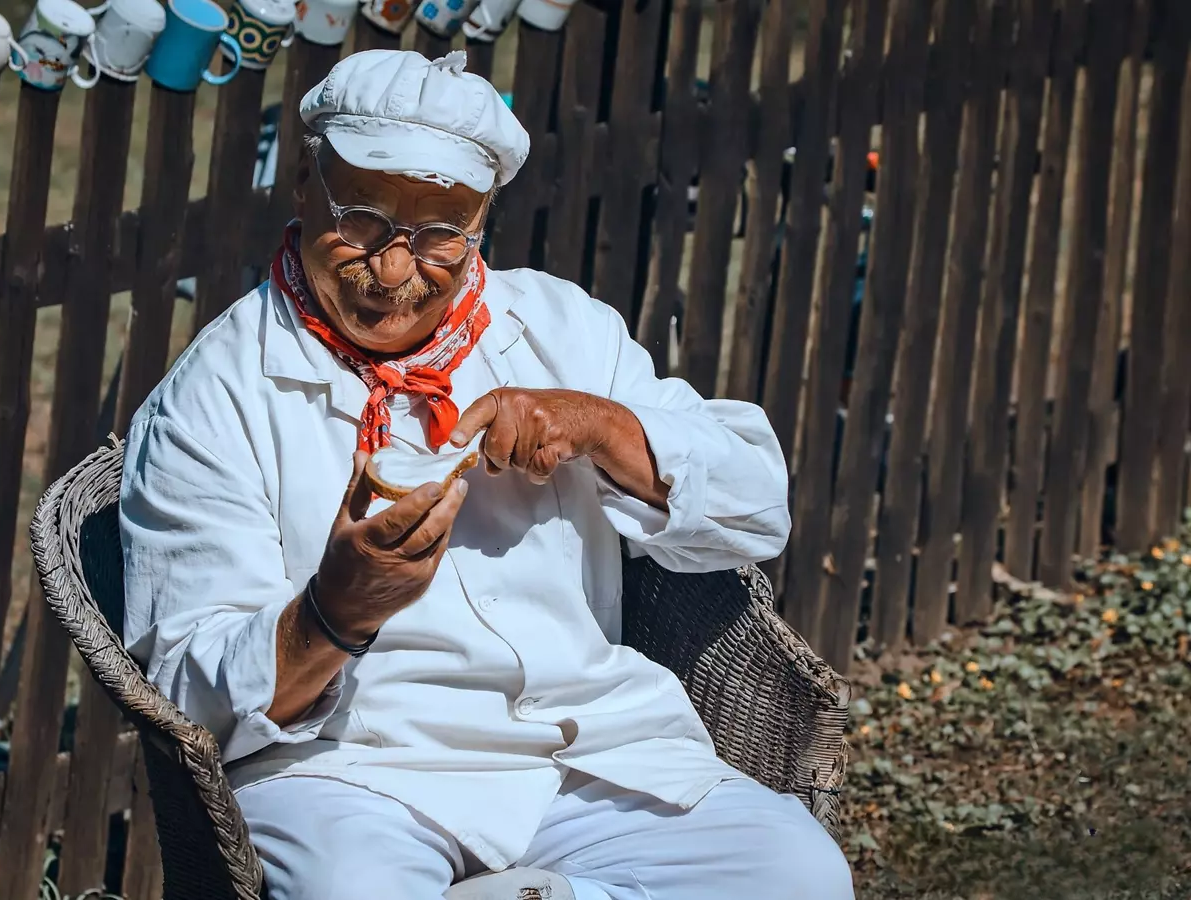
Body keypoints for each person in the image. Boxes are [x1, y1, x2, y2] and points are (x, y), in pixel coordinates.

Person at [119, 48, 854, 900]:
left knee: (797, 876)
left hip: (582, 747)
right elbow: (185, 695)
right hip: (350, 773)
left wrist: (605, 429)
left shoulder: (556, 326)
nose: (393, 272)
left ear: (482, 225)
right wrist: (336, 610)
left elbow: (758, 506)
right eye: (360, 219)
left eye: (437, 236)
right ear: (300, 185)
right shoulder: (214, 395)